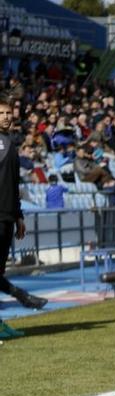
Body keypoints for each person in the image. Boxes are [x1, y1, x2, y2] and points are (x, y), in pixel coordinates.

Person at [0, 95, 47, 314]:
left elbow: (12, 182)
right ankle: (22, 296)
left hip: (7, 216)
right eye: (1, 113)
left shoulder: (10, 143)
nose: (6, 117)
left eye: (8, 113)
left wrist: (18, 215)